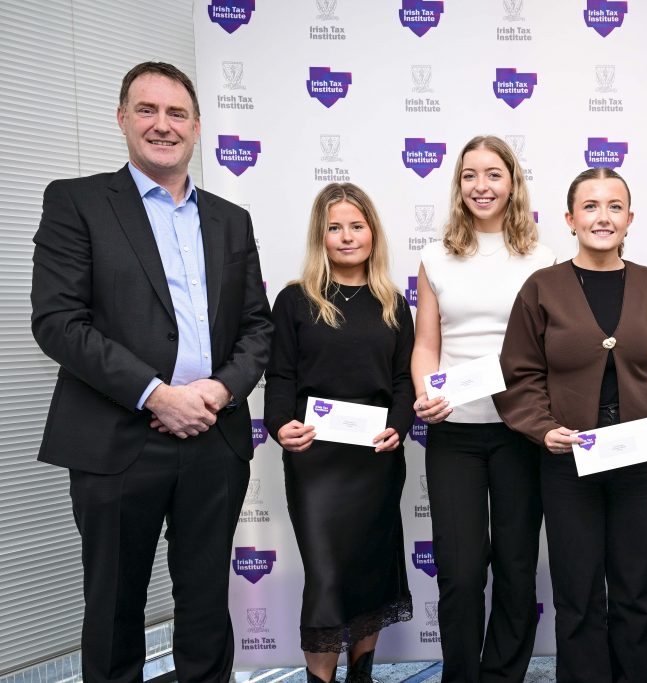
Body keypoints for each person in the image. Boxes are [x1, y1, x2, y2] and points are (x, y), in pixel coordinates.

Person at [30, 62, 273, 683]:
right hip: (117, 440)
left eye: (177, 114)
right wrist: (155, 395)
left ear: (196, 128)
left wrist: (218, 390)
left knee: (205, 609)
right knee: (114, 608)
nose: (162, 125)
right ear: (121, 118)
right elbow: (58, 321)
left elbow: (257, 328)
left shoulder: (230, 219)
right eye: (147, 110)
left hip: (213, 438)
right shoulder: (76, 202)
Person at [496, 167, 647, 683]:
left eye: (615, 206)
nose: (603, 217)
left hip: (642, 457)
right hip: (569, 456)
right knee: (577, 593)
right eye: (590, 207)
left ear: (631, 218)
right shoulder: (542, 287)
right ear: (570, 219)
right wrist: (541, 426)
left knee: (638, 592)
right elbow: (519, 371)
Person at [411, 135, 554, 682]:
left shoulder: (541, 259)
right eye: (470, 175)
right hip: (455, 436)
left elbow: (548, 348)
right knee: (462, 572)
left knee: (516, 568)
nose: (481, 186)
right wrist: (426, 391)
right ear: (458, 185)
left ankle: (503, 675)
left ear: (513, 183)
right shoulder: (434, 256)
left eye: (494, 174)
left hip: (521, 433)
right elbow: (426, 343)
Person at [264, 183, 414, 683]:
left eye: (356, 225)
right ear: (320, 236)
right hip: (315, 460)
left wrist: (399, 425)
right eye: (334, 228)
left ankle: (362, 676)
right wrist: (279, 424)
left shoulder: (393, 302)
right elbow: (280, 376)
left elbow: (401, 381)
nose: (347, 237)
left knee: (371, 569)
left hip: (375, 457)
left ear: (372, 232)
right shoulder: (294, 300)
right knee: (326, 578)